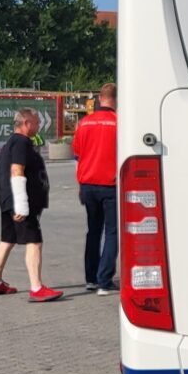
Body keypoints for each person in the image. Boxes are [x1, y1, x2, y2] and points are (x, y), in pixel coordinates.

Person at [0, 109, 63, 302]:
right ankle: (36, 287)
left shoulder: (11, 142)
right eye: (36, 123)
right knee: (34, 242)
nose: (39, 126)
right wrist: (21, 205)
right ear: (26, 123)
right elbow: (17, 169)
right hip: (20, 203)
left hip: (8, 201)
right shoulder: (21, 142)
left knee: (7, 239)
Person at [72, 83, 118, 293]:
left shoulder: (84, 123)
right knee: (112, 232)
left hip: (88, 184)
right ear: (116, 100)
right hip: (110, 184)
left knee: (93, 231)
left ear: (100, 98)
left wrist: (80, 184)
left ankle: (90, 277)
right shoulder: (119, 123)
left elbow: (77, 155)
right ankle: (104, 280)